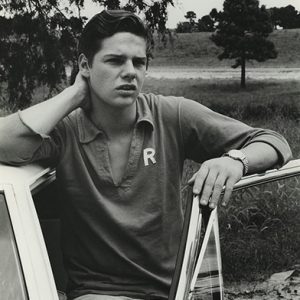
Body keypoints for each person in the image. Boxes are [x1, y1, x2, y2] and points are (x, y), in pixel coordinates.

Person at [0, 9, 292, 300]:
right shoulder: (65, 130)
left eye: (139, 62)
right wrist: (75, 94)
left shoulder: (171, 114)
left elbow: (272, 141)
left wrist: (235, 160)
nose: (130, 72)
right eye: (115, 61)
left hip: (179, 288)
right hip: (101, 293)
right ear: (85, 66)